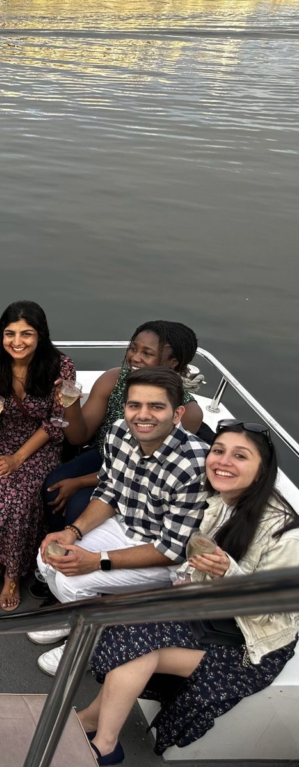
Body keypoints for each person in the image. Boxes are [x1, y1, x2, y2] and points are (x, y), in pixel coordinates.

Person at [79, 420, 299, 765]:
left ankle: (105, 744)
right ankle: (94, 721)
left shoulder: (286, 534)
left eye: (240, 456)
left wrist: (228, 574)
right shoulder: (220, 500)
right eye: (218, 450)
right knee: (127, 620)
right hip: (208, 613)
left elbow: (275, 611)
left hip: (250, 644)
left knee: (135, 644)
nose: (223, 461)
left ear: (262, 471)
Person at [34, 367, 209, 675]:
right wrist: (72, 532)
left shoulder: (194, 466)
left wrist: (96, 561)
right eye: (134, 405)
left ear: (177, 413)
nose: (143, 415)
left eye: (156, 406)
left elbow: (172, 550)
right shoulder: (119, 432)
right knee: (47, 558)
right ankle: (73, 617)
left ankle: (89, 644)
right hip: (124, 524)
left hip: (163, 553)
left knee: (72, 581)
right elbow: (109, 492)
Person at [0, 301, 75, 612]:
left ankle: (12, 572)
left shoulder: (61, 367)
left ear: (40, 335)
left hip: (39, 442)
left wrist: (18, 458)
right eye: (10, 334)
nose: (17, 342)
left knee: (22, 498)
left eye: (26, 334)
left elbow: (55, 421)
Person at [44, 321, 204, 534]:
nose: (135, 357)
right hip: (104, 454)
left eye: (147, 353)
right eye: (133, 348)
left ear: (173, 362)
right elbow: (79, 437)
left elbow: (144, 469)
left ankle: (78, 547)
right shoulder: (113, 379)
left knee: (78, 506)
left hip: (144, 477)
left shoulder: (187, 411)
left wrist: (79, 482)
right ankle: (56, 542)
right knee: (53, 487)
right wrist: (70, 403)